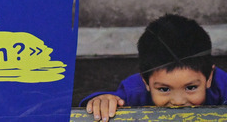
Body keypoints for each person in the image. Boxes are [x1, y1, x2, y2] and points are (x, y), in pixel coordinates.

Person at [81, 14, 227, 120]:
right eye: (164, 89)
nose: (178, 102)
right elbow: (111, 103)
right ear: (146, 82)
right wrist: (102, 101)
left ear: (209, 78)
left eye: (191, 88)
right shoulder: (134, 91)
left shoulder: (221, 85)